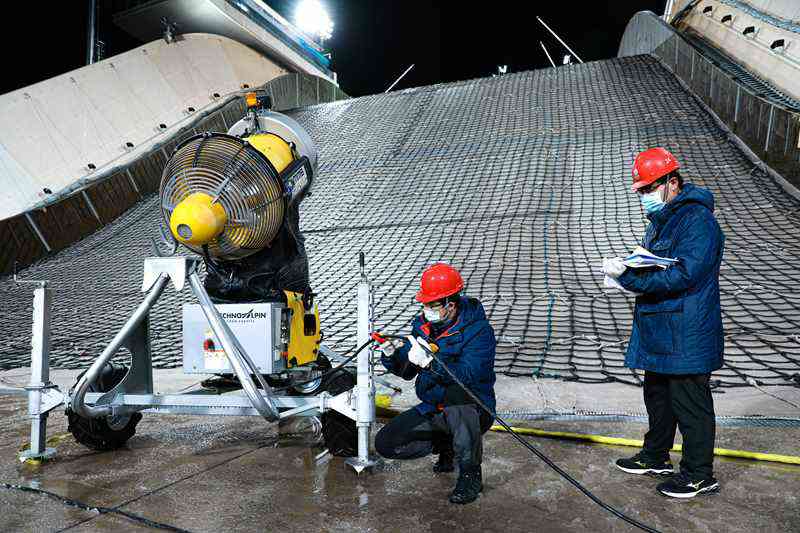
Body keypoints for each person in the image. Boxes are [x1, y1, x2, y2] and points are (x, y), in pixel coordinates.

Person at [603, 147, 725, 499]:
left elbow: (685, 273)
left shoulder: (698, 221)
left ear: (672, 182)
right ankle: (656, 455)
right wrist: (630, 268)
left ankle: (699, 474)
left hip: (686, 330)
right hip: (661, 328)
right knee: (658, 397)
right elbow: (655, 265)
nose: (644, 196)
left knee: (690, 403)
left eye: (648, 188)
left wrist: (630, 279)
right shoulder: (661, 222)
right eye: (640, 191)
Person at [375, 263, 497, 504]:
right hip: (435, 406)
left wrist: (431, 364)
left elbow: (466, 376)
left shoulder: (480, 332)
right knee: (387, 443)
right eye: (424, 304)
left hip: (472, 408)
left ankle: (471, 474)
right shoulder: (422, 327)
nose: (426, 310)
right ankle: (448, 447)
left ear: (450, 304)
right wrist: (393, 355)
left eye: (432, 305)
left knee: (456, 395)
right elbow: (408, 372)